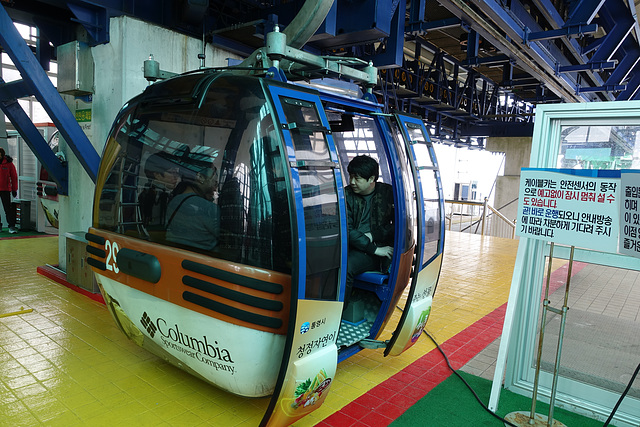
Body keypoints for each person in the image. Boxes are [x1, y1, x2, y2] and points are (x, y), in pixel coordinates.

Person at [344, 155, 394, 304]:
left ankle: (338, 313)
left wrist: (373, 236)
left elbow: (400, 225)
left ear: (371, 179)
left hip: (377, 251)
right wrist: (372, 247)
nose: (352, 182)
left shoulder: (388, 194)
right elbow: (347, 229)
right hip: (356, 246)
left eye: (357, 178)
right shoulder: (346, 195)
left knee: (346, 267)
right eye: (351, 177)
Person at [165, 158, 220, 251]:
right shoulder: (209, 208)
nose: (215, 188)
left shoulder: (173, 202)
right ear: (200, 177)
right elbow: (226, 238)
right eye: (214, 181)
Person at [0, 147, 18, 234]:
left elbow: (14, 177)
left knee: (8, 208)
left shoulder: (9, 164)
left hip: (5, 190)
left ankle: (11, 226)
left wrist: (14, 189)